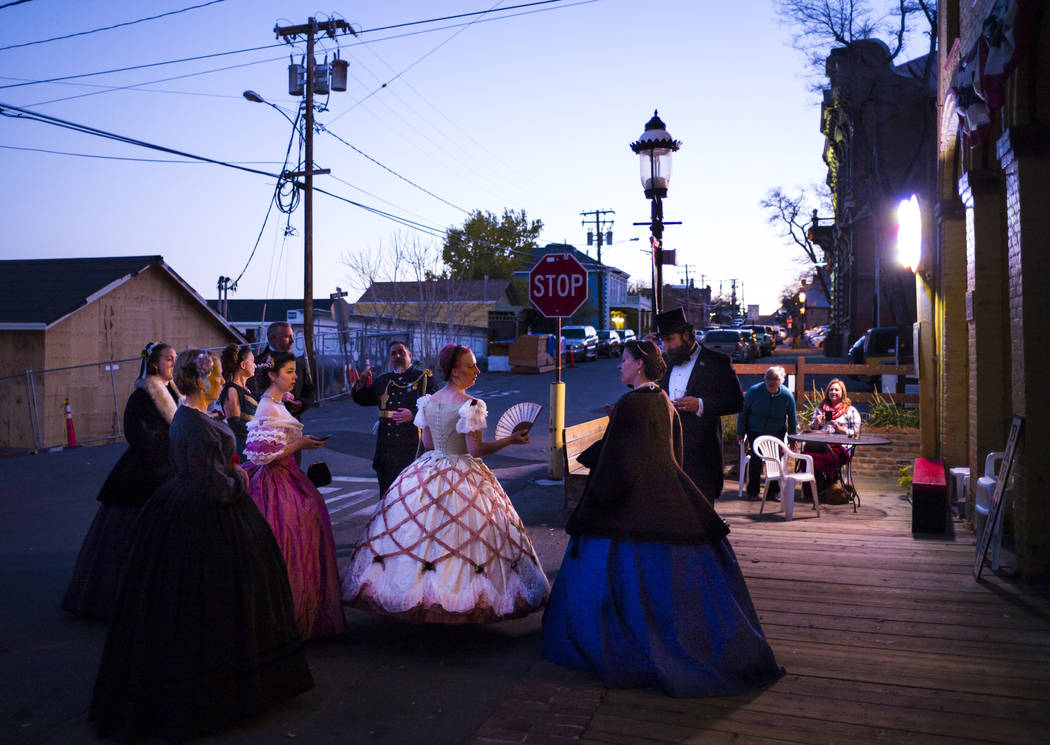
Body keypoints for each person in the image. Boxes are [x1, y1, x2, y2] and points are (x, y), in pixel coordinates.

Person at [90, 350, 313, 742]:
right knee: (212, 597)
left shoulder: (193, 415)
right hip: (206, 509)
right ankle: (217, 687)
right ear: (205, 381)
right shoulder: (191, 422)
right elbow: (208, 480)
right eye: (214, 378)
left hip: (192, 503)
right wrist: (238, 481)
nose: (219, 382)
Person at [542, 340, 782, 697]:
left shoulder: (631, 403)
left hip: (628, 511)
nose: (618, 366)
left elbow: (617, 460)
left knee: (609, 585)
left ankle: (626, 649)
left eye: (623, 360)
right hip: (665, 501)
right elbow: (668, 453)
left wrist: (593, 501)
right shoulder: (662, 401)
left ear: (639, 364)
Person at [342, 343, 550, 624]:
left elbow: (427, 443)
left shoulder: (429, 401)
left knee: (421, 532)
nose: (476, 371)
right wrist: (510, 440)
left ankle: (417, 594)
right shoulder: (471, 405)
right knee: (467, 532)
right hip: (462, 469)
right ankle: (455, 596)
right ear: (454, 371)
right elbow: (474, 452)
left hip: (429, 467)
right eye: (470, 366)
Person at [61, 341, 180, 620]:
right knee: (126, 535)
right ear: (154, 363)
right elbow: (137, 433)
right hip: (144, 471)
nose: (173, 364)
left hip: (166, 467)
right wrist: (165, 450)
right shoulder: (142, 395)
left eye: (175, 359)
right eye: (169, 359)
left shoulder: (172, 393)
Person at [245, 351, 346, 640]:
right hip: (274, 484)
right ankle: (286, 616)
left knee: (307, 528)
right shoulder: (266, 406)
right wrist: (300, 443)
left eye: (295, 371)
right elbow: (261, 456)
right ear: (272, 375)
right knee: (289, 540)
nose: (295, 377)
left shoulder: (277, 403)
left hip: (288, 477)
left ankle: (302, 610)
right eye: (289, 371)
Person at [655, 307, 744, 501]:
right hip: (669, 455)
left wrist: (701, 404)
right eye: (663, 342)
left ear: (687, 336)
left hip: (702, 458)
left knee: (702, 517)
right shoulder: (665, 364)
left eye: (670, 340)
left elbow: (736, 401)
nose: (667, 347)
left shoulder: (717, 362)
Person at [351, 340, 437, 495]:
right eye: (393, 354)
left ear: (410, 356)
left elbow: (437, 405)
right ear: (389, 359)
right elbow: (362, 399)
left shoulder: (423, 379)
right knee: (387, 495)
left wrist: (413, 413)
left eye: (401, 352)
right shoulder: (384, 380)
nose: (397, 356)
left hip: (412, 447)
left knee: (410, 496)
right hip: (387, 450)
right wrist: (362, 382)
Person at [738, 366, 798, 500]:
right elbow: (743, 412)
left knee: (775, 460)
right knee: (756, 459)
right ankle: (753, 492)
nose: (771, 382)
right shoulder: (754, 391)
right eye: (768, 378)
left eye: (775, 379)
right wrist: (740, 432)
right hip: (755, 431)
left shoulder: (786, 395)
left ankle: (773, 492)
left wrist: (792, 437)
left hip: (776, 432)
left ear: (781, 380)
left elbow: (792, 418)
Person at [806, 378, 862, 496]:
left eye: (837, 390)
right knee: (806, 458)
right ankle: (815, 488)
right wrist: (816, 423)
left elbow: (856, 433)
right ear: (827, 392)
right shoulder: (820, 409)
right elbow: (811, 429)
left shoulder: (850, 411)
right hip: (821, 446)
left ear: (842, 393)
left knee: (829, 457)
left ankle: (828, 484)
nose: (834, 392)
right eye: (831, 390)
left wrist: (842, 430)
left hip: (841, 447)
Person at [251, 321, 316, 420]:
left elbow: (309, 389)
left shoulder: (298, 364)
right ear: (272, 338)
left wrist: (302, 403)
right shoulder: (256, 364)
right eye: (287, 337)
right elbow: (250, 394)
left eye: (292, 336)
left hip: (293, 423)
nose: (292, 340)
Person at [219, 343, 257, 458]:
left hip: (252, 445)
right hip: (242, 449)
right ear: (243, 365)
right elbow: (235, 425)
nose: (255, 365)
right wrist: (261, 430)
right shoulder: (232, 390)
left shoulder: (246, 389)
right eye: (252, 361)